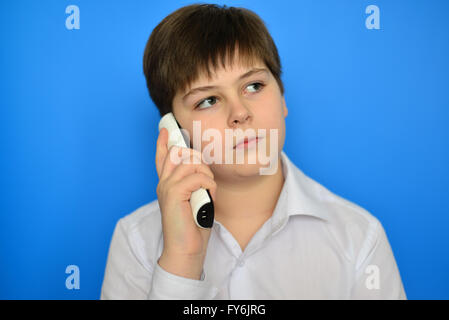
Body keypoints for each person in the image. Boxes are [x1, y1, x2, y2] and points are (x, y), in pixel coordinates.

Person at [100, 3, 406, 299]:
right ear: (174, 133)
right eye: (208, 100)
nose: (240, 113)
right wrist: (183, 261)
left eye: (254, 86)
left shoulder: (359, 236)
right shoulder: (136, 240)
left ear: (282, 98)